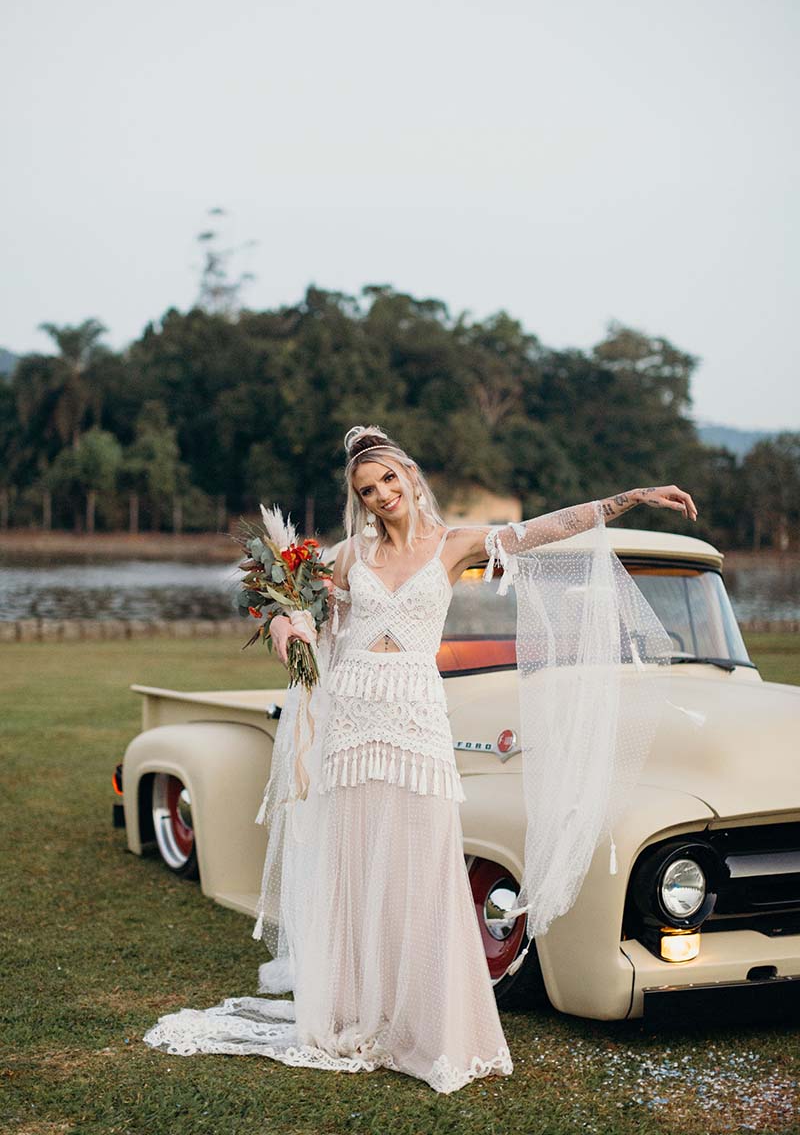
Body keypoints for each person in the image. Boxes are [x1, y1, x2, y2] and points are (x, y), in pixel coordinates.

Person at [143, 424, 697, 1093]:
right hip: (351, 714)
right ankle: (352, 1009)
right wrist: (291, 633)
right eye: (365, 489)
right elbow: (288, 607)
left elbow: (546, 530)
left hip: (416, 715)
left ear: (410, 476)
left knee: (425, 863)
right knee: (356, 861)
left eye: (387, 481)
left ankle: (429, 1024)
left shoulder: (456, 545)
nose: (380, 496)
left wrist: (626, 499)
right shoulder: (347, 556)